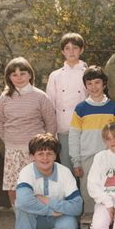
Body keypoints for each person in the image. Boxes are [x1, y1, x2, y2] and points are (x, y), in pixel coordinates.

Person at [0, 57, 57, 229]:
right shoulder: (4, 98)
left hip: (35, 153)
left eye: (22, 73)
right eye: (14, 74)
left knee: (40, 188)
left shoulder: (40, 96)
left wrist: (44, 148)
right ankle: (21, 226)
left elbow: (51, 123)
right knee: (13, 189)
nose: (19, 77)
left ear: (30, 74)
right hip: (13, 151)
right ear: (9, 77)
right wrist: (12, 141)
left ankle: (49, 224)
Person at [69, 66, 115, 229]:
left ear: (104, 84)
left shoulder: (114, 107)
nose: (93, 86)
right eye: (89, 83)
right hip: (87, 158)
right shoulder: (80, 109)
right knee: (89, 193)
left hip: (110, 158)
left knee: (112, 193)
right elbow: (74, 136)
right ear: (85, 86)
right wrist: (76, 160)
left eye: (97, 82)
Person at [14, 133, 82, 229]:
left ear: (56, 155)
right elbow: (23, 201)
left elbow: (77, 206)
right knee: (22, 207)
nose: (45, 158)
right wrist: (50, 211)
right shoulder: (26, 172)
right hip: (38, 217)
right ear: (32, 156)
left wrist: (48, 201)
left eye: (49, 153)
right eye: (40, 154)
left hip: (59, 215)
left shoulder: (64, 172)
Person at [46, 33, 87, 171]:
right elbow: (49, 106)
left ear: (81, 50)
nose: (71, 51)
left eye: (75, 48)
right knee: (67, 170)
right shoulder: (55, 76)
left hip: (85, 129)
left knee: (85, 168)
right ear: (63, 51)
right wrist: (51, 133)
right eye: (67, 48)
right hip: (64, 129)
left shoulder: (87, 73)